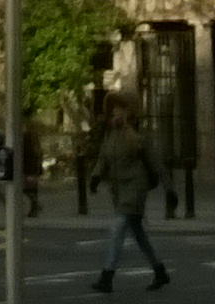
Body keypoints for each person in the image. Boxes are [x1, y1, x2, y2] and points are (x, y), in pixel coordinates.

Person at [90, 97, 169, 293]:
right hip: (119, 191)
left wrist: (170, 188)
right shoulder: (111, 135)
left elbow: (155, 163)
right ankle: (159, 271)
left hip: (135, 189)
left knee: (117, 229)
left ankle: (107, 276)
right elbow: (103, 158)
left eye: (119, 110)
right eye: (113, 111)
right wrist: (96, 176)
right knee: (139, 235)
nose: (115, 114)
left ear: (128, 112)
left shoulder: (137, 135)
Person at [19, 121, 44, 219]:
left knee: (27, 189)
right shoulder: (35, 138)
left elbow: (24, 152)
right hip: (34, 167)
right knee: (32, 189)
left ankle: (36, 206)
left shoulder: (27, 137)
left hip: (28, 167)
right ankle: (35, 208)